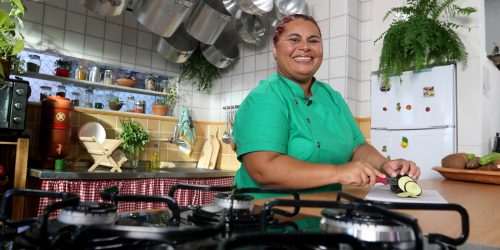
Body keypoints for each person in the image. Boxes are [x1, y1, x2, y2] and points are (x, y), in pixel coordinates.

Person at [232, 14, 421, 199]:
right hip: (268, 219)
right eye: (294, 39)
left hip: (323, 216)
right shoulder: (264, 98)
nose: (305, 47)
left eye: (313, 41)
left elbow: (358, 147)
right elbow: (264, 170)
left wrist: (385, 165)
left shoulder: (332, 98)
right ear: (275, 49)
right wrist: (339, 172)